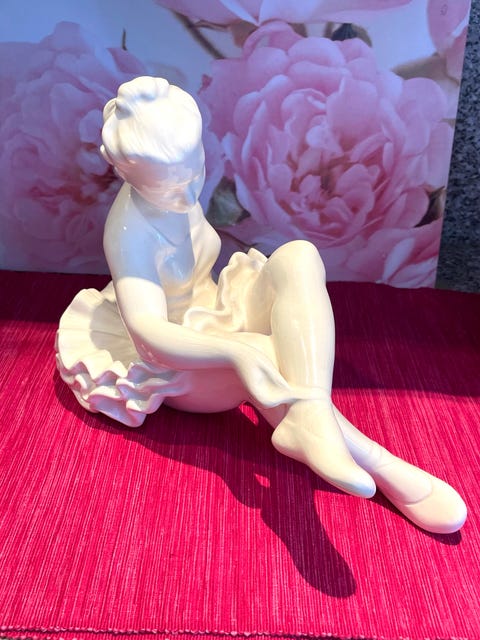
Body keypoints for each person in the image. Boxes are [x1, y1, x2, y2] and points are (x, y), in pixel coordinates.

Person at [56, 76, 466, 534]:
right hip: (178, 359)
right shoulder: (128, 232)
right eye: (168, 188)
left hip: (215, 308)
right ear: (125, 173)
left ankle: (310, 415)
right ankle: (386, 466)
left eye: (195, 171)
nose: (188, 195)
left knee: (298, 256)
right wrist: (235, 351)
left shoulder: (176, 184)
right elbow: (150, 336)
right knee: (268, 352)